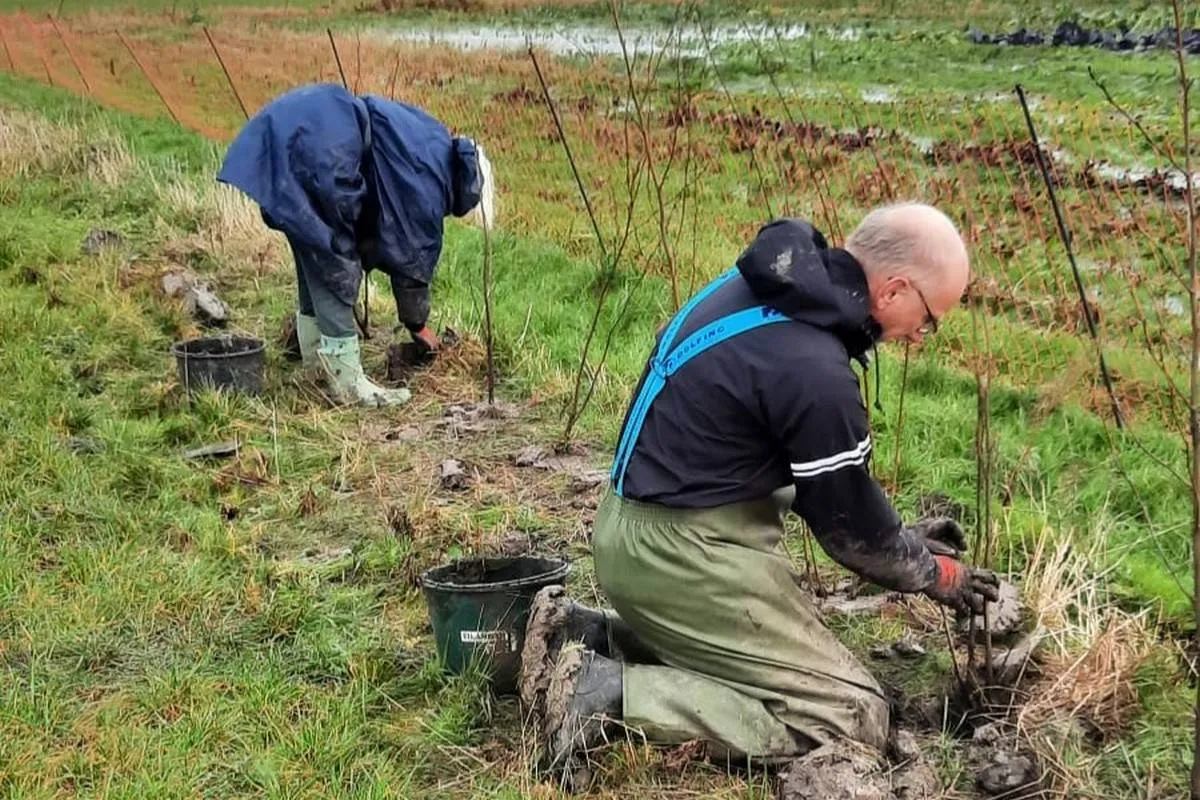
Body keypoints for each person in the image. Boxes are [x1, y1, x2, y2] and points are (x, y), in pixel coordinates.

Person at [518, 203, 1000, 778]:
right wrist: (939, 576)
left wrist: (905, 539)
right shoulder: (815, 368)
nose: (921, 336)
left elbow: (810, 482)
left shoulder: (763, 286)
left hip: (634, 534)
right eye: (929, 320)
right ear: (894, 290)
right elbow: (851, 535)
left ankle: (588, 631)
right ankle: (608, 695)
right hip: (681, 556)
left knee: (777, 667)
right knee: (850, 714)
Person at [216, 83, 495, 408]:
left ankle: (315, 365)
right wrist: (418, 325)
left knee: (312, 246)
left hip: (303, 127)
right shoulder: (431, 183)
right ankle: (346, 383)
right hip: (323, 149)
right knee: (333, 254)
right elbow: (412, 262)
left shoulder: (431, 141)